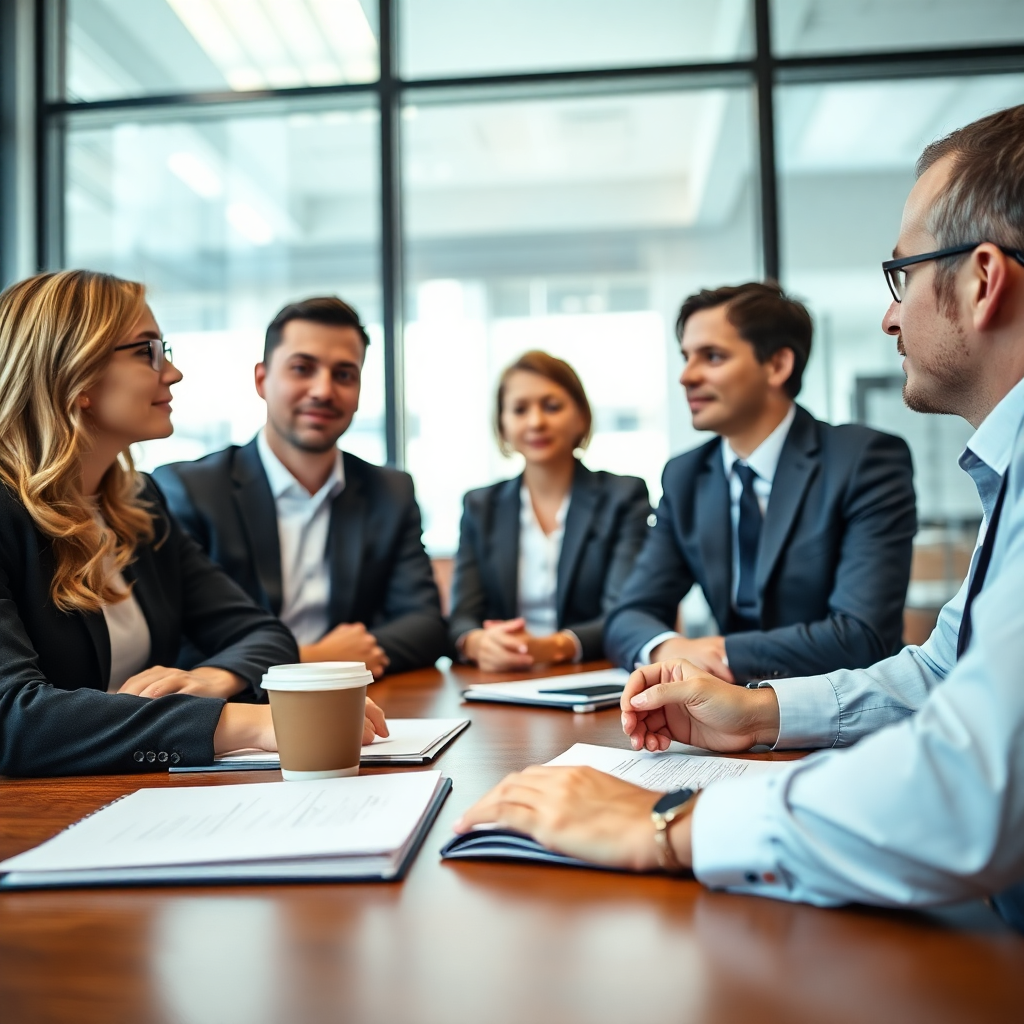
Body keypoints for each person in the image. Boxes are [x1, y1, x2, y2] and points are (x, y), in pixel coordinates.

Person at [454, 104, 1024, 929]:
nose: (890, 316)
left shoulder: (865, 458)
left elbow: (965, 787)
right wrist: (756, 711)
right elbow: (938, 671)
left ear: (980, 279)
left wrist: (667, 821)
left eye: (902, 275)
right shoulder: (690, 477)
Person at [0, 270, 386, 778]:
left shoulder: (139, 505)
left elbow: (263, 633)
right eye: (148, 352)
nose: (173, 373)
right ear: (77, 372)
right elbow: (15, 721)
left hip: (134, 794)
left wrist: (212, 679)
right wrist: (248, 723)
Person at [604, 282, 917, 682]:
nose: (686, 376)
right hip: (722, 712)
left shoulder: (864, 460)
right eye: (685, 357)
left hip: (845, 711)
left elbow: (862, 636)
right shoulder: (685, 477)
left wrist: (720, 653)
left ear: (777, 366)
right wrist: (670, 647)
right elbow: (627, 615)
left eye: (712, 357)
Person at [153, 296, 447, 678]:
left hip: (358, 706)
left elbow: (424, 625)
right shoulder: (188, 489)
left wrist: (341, 660)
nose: (323, 390)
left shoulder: (390, 491)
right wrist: (314, 658)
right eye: (302, 368)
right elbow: (177, 644)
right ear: (262, 379)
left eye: (344, 374)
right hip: (240, 711)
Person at [449, 351, 651, 671]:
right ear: (502, 425)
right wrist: (477, 642)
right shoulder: (480, 505)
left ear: (581, 417)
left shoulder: (623, 498)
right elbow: (461, 617)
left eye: (552, 406)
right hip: (503, 680)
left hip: (592, 674)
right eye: (519, 409)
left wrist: (552, 648)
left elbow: (626, 614)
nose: (536, 422)